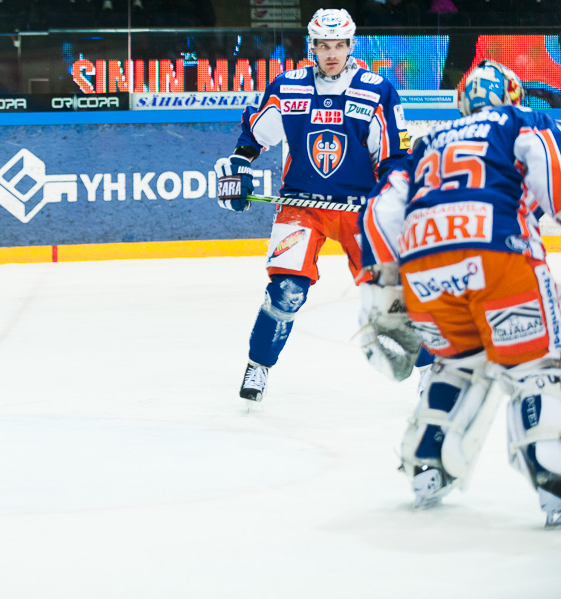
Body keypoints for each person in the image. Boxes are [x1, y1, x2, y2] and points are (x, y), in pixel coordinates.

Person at [357, 60, 561, 526]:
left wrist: (383, 287)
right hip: (499, 256)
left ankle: (427, 467)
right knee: (537, 366)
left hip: (426, 271)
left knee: (459, 365)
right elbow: (547, 164)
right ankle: (554, 480)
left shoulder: (426, 142)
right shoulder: (520, 120)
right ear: (511, 95)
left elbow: (381, 208)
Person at [214, 8, 415, 404]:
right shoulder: (287, 87)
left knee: (392, 293)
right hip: (301, 207)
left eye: (339, 45)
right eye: (324, 45)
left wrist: (391, 197)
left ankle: (428, 372)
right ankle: (259, 366)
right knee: (286, 291)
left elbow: (393, 156)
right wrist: (238, 162)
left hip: (361, 211)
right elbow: (255, 135)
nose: (332, 53)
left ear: (350, 46)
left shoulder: (376, 90)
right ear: (312, 46)